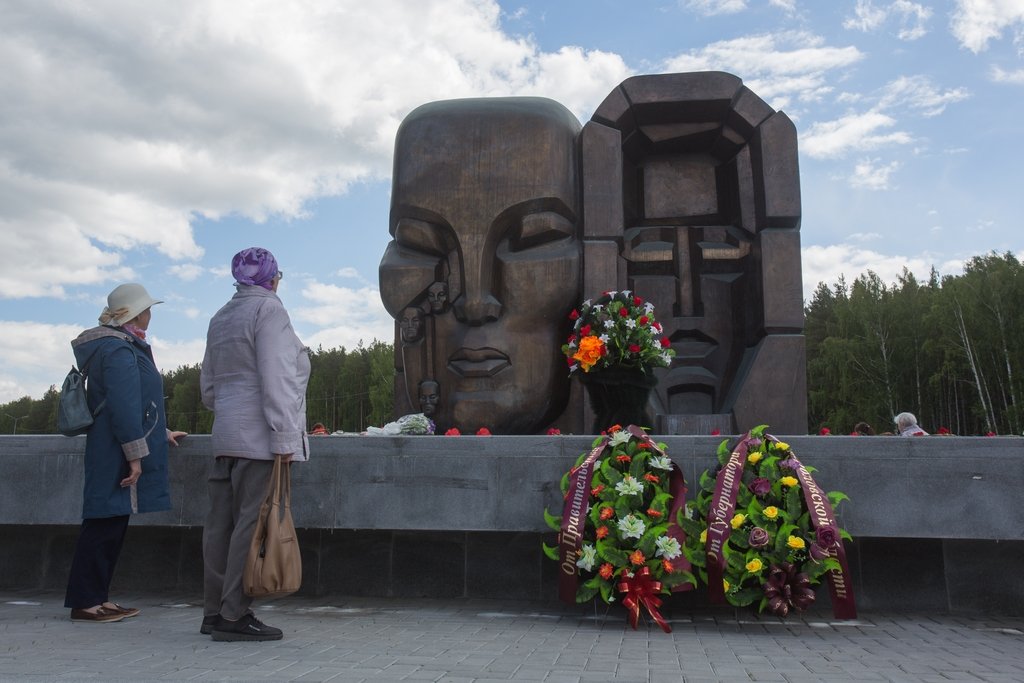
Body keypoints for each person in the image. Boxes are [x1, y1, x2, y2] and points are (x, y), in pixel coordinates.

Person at [200, 247, 311, 642]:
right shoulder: (270, 312)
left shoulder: (221, 317)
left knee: (219, 528)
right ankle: (234, 615)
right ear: (272, 278)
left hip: (225, 436)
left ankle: (213, 612)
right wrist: (284, 435)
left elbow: (208, 390)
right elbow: (277, 378)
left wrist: (231, 412)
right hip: (260, 440)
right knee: (250, 528)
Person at [64, 283, 187, 623]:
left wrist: (159, 433)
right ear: (135, 313)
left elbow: (134, 404)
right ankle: (86, 601)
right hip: (114, 449)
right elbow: (122, 405)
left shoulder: (119, 346)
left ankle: (96, 597)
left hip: (112, 443)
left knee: (110, 522)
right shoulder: (119, 350)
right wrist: (136, 457)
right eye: (148, 308)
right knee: (103, 523)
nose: (151, 314)